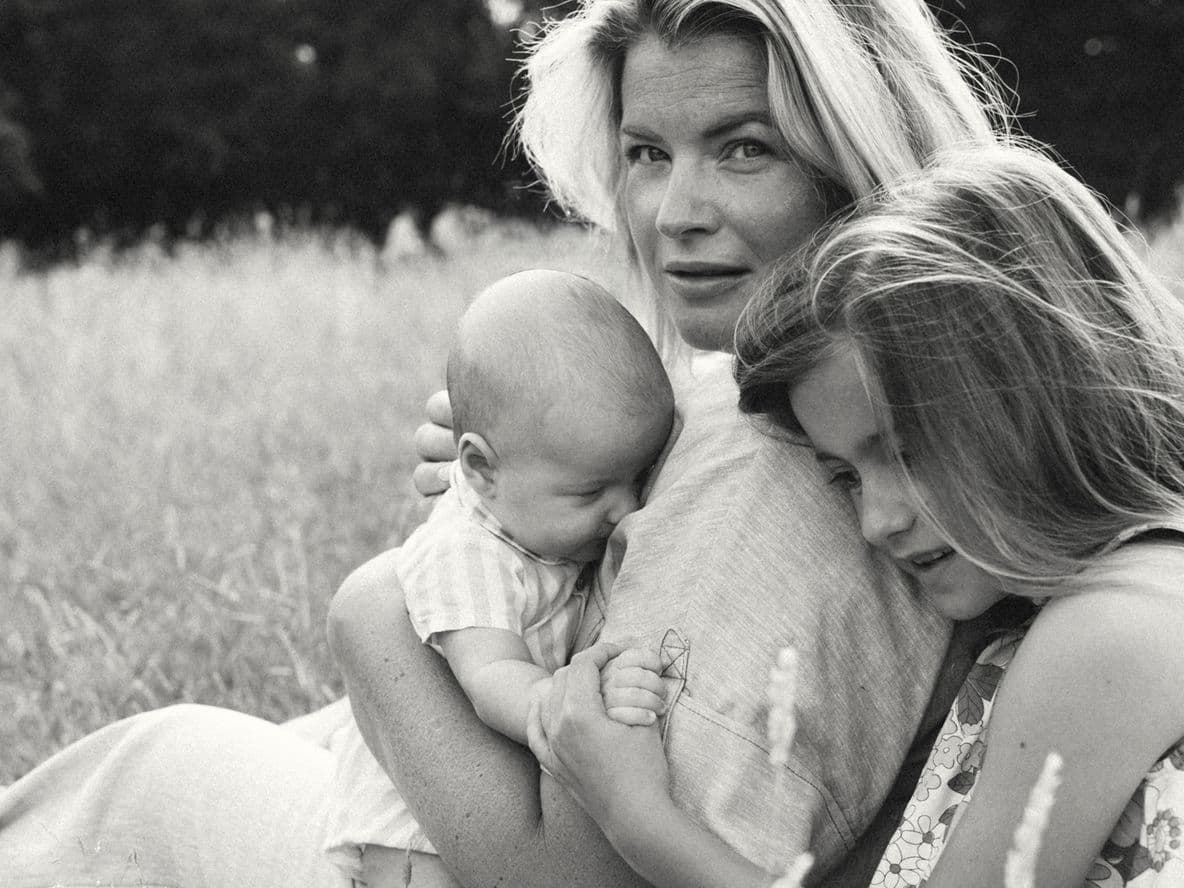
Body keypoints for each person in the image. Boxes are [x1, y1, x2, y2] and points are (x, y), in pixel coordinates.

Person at [0, 1, 1014, 886]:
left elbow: (566, 869)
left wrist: (388, 606)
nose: (673, 214)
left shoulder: (784, 462)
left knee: (148, 773)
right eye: (645, 154)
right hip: (439, 787)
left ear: (858, 156)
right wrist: (524, 509)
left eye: (743, 147)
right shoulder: (883, 406)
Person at [524, 143, 1184, 888]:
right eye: (844, 476)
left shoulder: (1107, 632)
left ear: (1046, 385)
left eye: (908, 451)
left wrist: (634, 811)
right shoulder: (1110, 600)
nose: (878, 521)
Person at [322, 268, 674, 880]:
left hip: (491, 769)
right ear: (481, 468)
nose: (626, 511)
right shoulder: (468, 555)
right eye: (592, 490)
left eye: (637, 479)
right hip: (414, 814)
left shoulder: (538, 504)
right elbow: (490, 676)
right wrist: (567, 702)